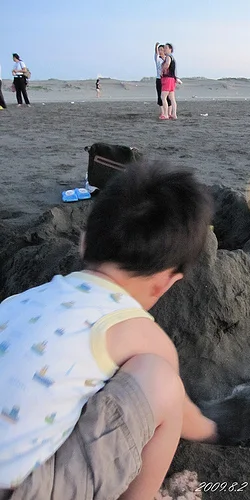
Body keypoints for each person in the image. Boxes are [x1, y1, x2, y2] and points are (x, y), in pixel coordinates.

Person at [0, 162, 217, 500]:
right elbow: (185, 417)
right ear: (166, 283)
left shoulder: (20, 302)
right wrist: (211, 429)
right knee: (162, 382)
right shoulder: (138, 331)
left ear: (84, 244)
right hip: (22, 490)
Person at [160, 43, 178, 120]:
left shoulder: (168, 57)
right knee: (172, 98)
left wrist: (162, 70)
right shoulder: (173, 58)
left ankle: (166, 114)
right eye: (164, 48)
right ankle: (174, 114)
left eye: (166, 48)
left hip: (167, 79)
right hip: (172, 79)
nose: (164, 49)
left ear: (170, 49)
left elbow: (167, 64)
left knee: (163, 97)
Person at [154, 43, 171, 117]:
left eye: (162, 49)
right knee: (160, 96)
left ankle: (169, 112)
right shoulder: (158, 59)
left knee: (168, 96)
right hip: (159, 79)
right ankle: (163, 112)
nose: (160, 51)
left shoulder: (167, 59)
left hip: (166, 79)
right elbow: (156, 53)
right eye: (159, 50)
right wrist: (156, 46)